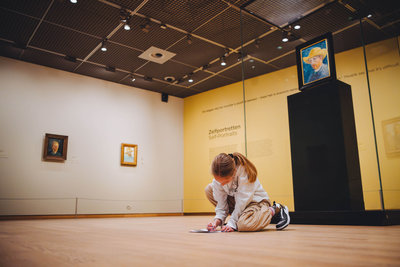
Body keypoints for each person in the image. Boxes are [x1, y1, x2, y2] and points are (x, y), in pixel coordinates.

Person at [205, 152, 290, 232]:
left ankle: (275, 209)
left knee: (243, 225)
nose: (222, 184)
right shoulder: (218, 180)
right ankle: (243, 218)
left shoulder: (244, 171)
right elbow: (221, 205)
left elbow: (242, 201)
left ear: (234, 172)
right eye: (219, 181)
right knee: (209, 189)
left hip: (256, 202)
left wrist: (232, 222)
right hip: (239, 204)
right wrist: (217, 221)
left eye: (226, 181)